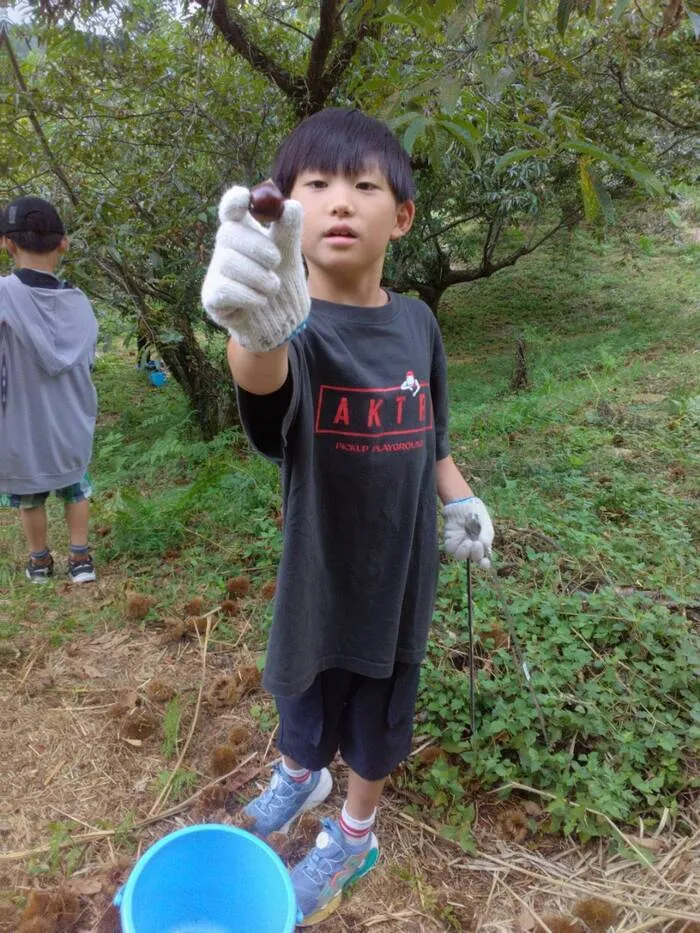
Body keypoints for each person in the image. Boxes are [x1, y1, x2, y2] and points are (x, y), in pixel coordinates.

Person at [201, 108, 494, 926]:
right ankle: (301, 773)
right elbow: (263, 380)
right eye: (316, 184)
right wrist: (249, 326)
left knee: (376, 711)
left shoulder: (419, 324)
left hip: (399, 579)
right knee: (303, 692)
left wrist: (460, 497)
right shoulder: (294, 330)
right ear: (288, 214)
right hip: (319, 574)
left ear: (400, 216)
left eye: (363, 185)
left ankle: (353, 830)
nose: (339, 200)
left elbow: (433, 437)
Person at [0, 196, 98, 584]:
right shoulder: (80, 303)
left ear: (7, 243)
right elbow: (88, 360)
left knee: (29, 493)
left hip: (21, 419)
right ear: (64, 243)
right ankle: (81, 559)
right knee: (76, 487)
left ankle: (39, 561)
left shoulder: (5, 296)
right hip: (70, 413)